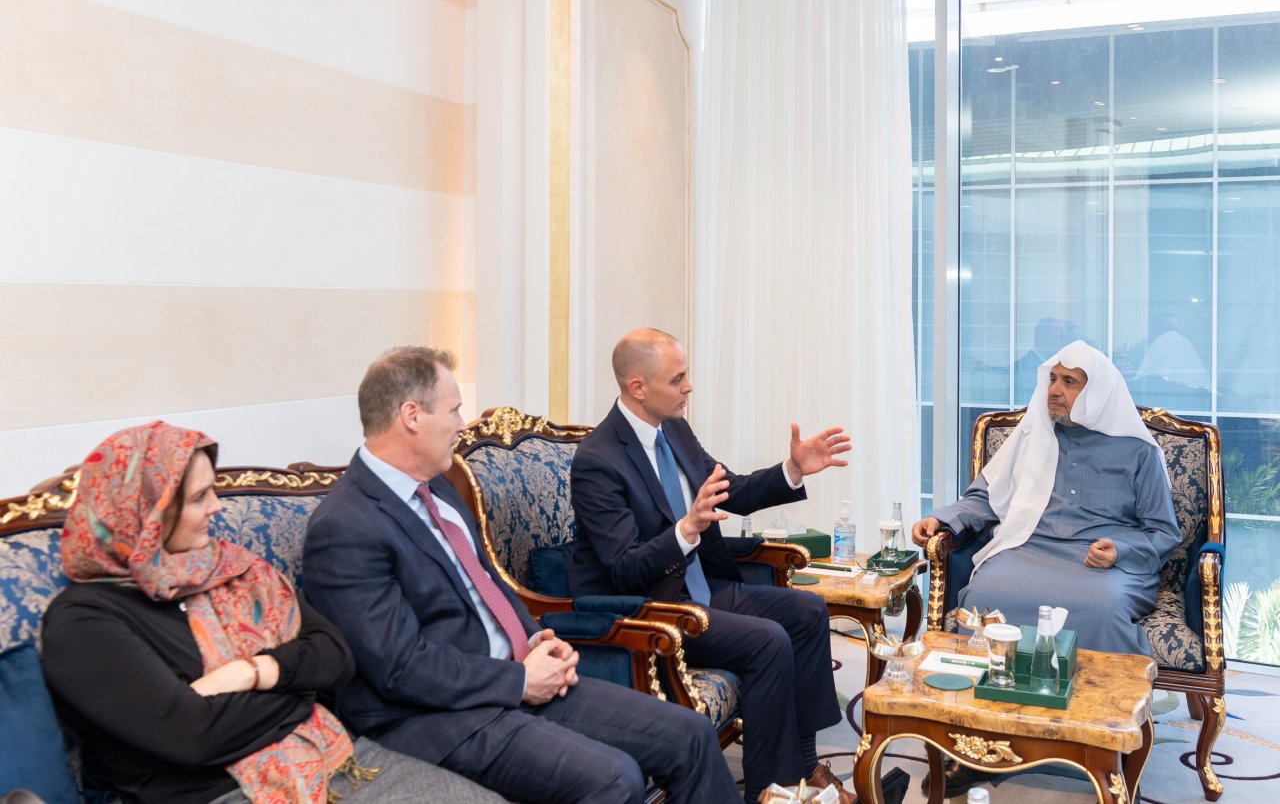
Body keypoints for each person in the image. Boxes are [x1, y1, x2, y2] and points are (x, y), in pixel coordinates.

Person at [301, 346, 740, 804]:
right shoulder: (345, 527)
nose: (460, 425)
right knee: (614, 778)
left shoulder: (438, 490)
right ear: (412, 415)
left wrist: (536, 639)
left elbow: (488, 583)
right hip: (438, 715)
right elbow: (398, 668)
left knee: (688, 732)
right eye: (453, 411)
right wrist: (517, 681)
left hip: (515, 678)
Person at [40, 421, 501, 804]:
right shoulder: (84, 621)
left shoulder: (230, 570)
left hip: (328, 752)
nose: (216, 508)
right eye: (199, 498)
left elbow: (336, 656)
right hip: (218, 793)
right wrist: (300, 691)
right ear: (146, 516)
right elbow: (194, 737)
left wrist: (256, 672)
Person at [569, 328, 853, 804]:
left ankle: (802, 767)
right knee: (768, 640)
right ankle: (769, 789)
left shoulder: (674, 430)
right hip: (651, 607)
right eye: (678, 378)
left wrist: (792, 469)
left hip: (698, 586)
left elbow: (731, 490)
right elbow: (623, 568)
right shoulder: (597, 459)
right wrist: (686, 529)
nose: (689, 387)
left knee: (806, 613)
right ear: (638, 387)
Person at [912, 340, 1179, 655]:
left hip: (1101, 564)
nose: (1054, 389)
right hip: (1029, 548)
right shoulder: (1032, 434)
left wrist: (1119, 552)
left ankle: (1100, 700)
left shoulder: (1138, 451)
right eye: (1053, 379)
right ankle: (983, 695)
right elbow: (986, 497)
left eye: (1069, 382)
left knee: (1103, 608)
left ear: (1097, 392)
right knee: (983, 593)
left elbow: (1162, 531)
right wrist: (940, 519)